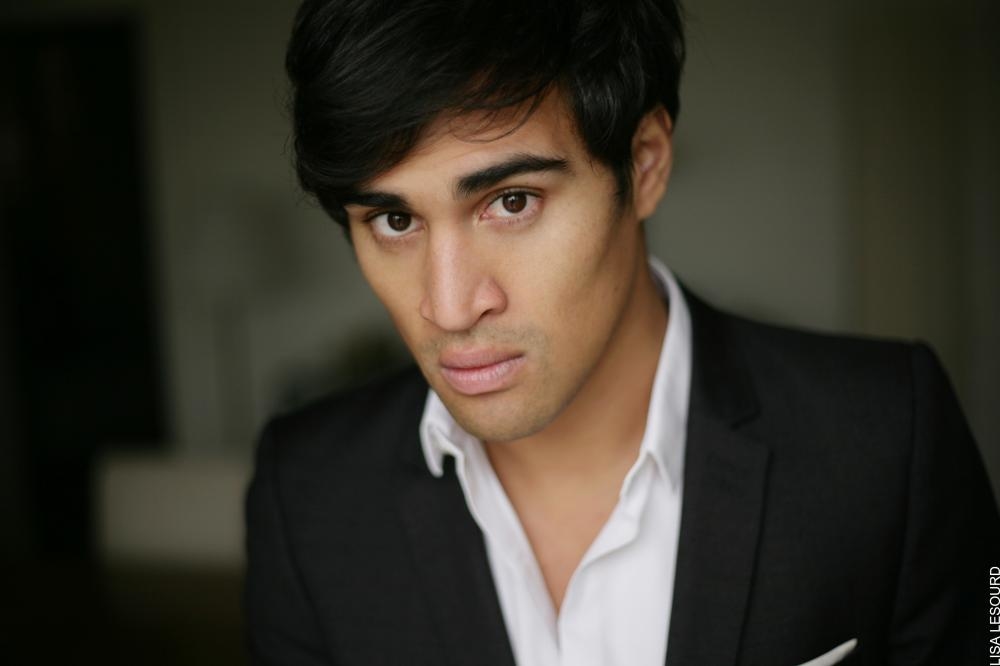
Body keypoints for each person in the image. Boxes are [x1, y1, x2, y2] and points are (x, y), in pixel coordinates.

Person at [244, 1, 1000, 664]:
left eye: (512, 201)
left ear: (644, 165)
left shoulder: (888, 437)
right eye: (394, 219)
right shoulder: (306, 492)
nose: (449, 306)